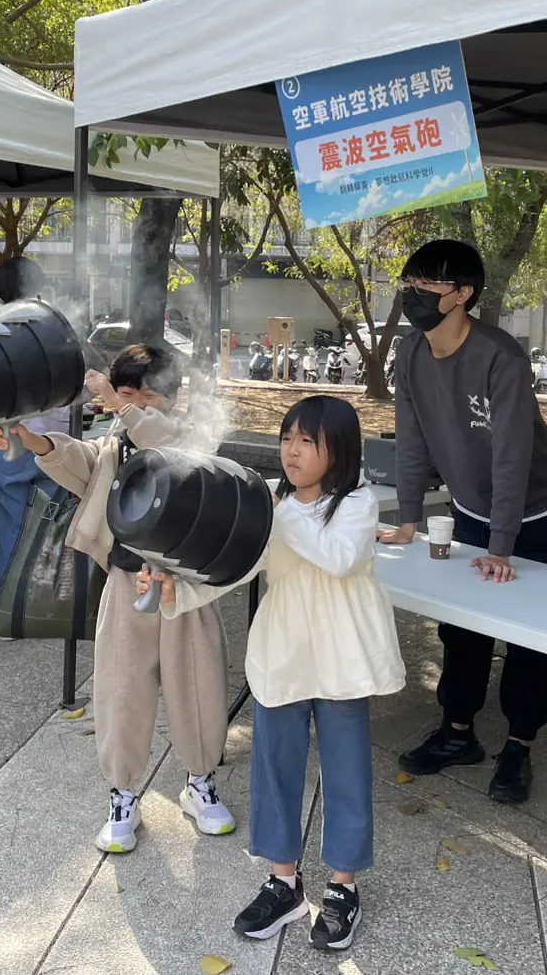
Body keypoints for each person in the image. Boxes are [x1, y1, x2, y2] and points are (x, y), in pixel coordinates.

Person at [140, 394, 403, 952]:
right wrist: (174, 588)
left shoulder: (358, 503)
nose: (292, 450)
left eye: (308, 441)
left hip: (341, 660)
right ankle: (284, 883)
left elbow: (337, 557)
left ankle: (343, 887)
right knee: (275, 769)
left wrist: (273, 511)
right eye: (287, 439)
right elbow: (232, 569)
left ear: (340, 451)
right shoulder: (273, 510)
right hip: (282, 654)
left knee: (346, 772)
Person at [0, 345, 233, 854]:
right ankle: (124, 794)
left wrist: (119, 402)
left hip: (185, 584)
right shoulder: (114, 444)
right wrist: (33, 440)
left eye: (149, 396)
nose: (137, 405)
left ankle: (200, 782)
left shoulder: (190, 437)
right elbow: (79, 464)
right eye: (129, 394)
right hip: (127, 583)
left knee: (199, 684)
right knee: (122, 690)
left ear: (170, 397)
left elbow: (172, 449)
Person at [378, 239, 547, 805]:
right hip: (469, 510)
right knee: (460, 626)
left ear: (462, 295)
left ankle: (520, 744)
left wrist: (503, 546)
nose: (411, 295)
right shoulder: (411, 353)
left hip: (533, 514)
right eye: (408, 282)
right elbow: (411, 441)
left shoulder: (500, 358)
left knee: (531, 635)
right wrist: (409, 519)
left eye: (425, 287)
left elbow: (511, 456)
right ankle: (457, 732)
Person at [0, 256, 72, 589]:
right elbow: (84, 382)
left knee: (10, 531)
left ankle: (10, 610)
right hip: (55, 443)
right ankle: (50, 602)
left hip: (8, 443)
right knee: (54, 528)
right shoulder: (56, 327)